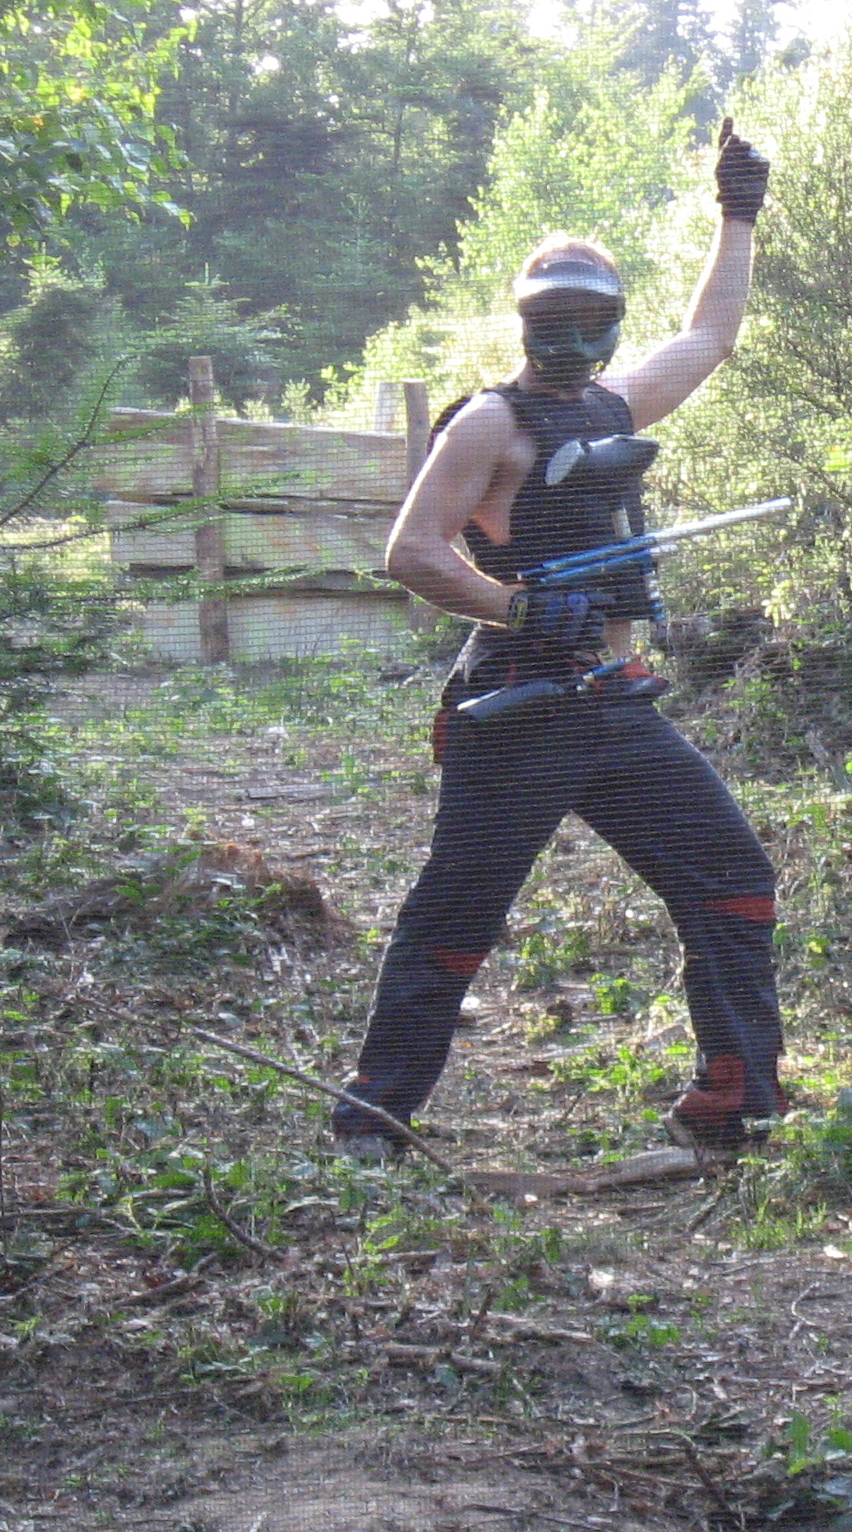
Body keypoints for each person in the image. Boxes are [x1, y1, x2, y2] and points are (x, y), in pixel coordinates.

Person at [330, 124, 784, 1164]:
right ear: (525, 321)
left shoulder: (617, 405)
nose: (570, 341)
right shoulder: (488, 425)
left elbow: (712, 335)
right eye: (552, 321)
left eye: (589, 321)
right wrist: (518, 608)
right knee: (455, 917)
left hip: (615, 701)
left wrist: (738, 213)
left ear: (611, 324)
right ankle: (371, 1121)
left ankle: (732, 1104)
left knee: (732, 883)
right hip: (520, 707)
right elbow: (412, 550)